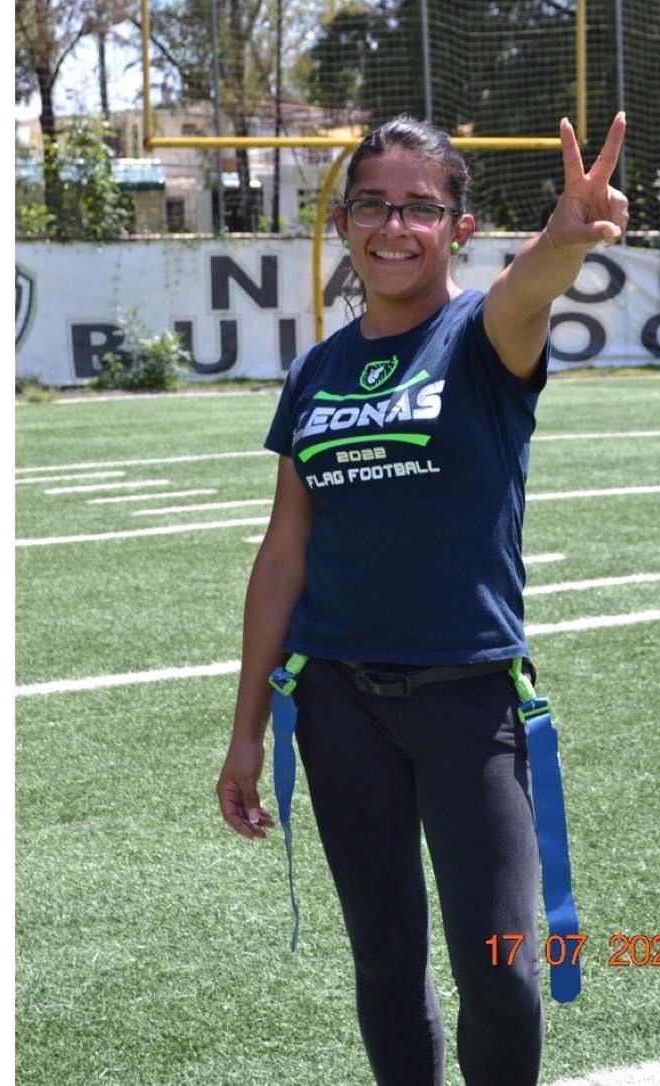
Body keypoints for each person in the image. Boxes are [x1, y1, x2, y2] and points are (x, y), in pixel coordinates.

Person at [216, 111, 628, 1086]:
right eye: (373, 204)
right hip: (338, 706)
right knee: (386, 962)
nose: (392, 227)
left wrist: (567, 235)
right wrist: (243, 730)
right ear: (348, 219)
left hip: (467, 702)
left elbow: (531, 289)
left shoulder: (484, 335)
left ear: (459, 226)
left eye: (419, 208)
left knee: (503, 969)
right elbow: (284, 554)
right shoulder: (317, 371)